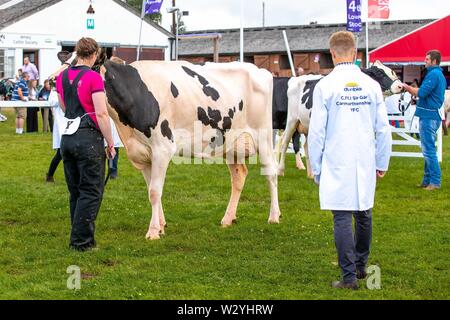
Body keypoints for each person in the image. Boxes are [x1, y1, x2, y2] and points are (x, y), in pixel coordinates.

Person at [308, 31, 392, 290]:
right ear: (355, 54)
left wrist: (316, 165)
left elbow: (317, 131)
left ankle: (348, 278)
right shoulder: (372, 85)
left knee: (342, 215)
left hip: (337, 159)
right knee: (364, 212)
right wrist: (382, 161)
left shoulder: (325, 86)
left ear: (332, 54)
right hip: (364, 158)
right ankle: (360, 266)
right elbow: (383, 128)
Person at [56, 37, 115, 251]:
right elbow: (101, 112)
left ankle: (77, 234)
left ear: (77, 53)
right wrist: (110, 142)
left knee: (76, 191)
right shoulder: (93, 77)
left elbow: (63, 106)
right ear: (94, 55)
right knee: (91, 191)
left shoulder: (61, 77)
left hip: (68, 138)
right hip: (88, 138)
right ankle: (82, 242)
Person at [403, 50, 446, 190]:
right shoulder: (438, 74)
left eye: (427, 59)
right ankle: (427, 180)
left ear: (434, 61)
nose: (425, 61)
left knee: (428, 151)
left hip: (428, 116)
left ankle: (435, 181)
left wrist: (406, 87)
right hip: (432, 115)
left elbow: (421, 92)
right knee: (429, 149)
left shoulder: (433, 74)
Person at [46, 87, 64, 183]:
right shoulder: (55, 91)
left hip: (74, 121)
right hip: (61, 123)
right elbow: (52, 102)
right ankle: (50, 174)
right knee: (61, 152)